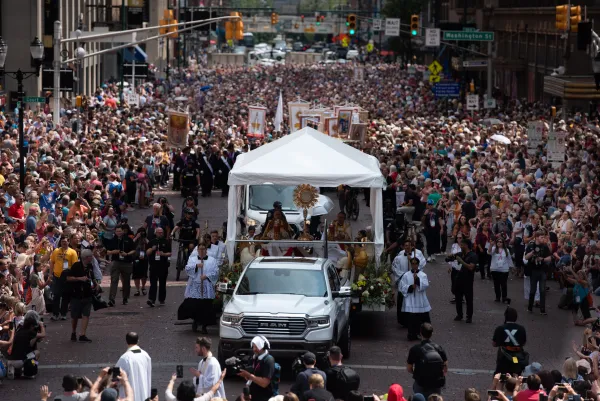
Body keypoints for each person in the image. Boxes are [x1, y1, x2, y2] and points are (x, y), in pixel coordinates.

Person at [177, 242, 219, 333]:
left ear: (206, 250)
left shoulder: (212, 260)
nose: (202, 251)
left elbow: (216, 272)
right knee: (194, 305)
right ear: (197, 250)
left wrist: (207, 276)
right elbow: (187, 268)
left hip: (206, 286)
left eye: (203, 249)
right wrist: (196, 266)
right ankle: (195, 321)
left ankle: (204, 325)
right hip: (195, 286)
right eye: (200, 249)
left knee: (206, 307)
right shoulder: (192, 259)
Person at [406, 323, 448, 398]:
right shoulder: (438, 348)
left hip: (421, 383)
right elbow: (445, 367)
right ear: (432, 333)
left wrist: (416, 373)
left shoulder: (415, 349)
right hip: (436, 383)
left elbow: (409, 368)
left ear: (420, 333)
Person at [392, 240, 426, 326]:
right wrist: (403, 275)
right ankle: (402, 320)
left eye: (409, 245)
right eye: (406, 245)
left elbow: (421, 264)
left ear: (412, 246)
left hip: (412, 280)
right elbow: (394, 268)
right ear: (403, 247)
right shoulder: (399, 256)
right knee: (402, 300)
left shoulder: (416, 256)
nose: (407, 247)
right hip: (403, 280)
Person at [66, 249, 97, 343]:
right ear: (86, 258)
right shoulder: (76, 266)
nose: (92, 258)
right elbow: (68, 278)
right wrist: (80, 278)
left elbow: (92, 277)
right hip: (76, 294)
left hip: (87, 294)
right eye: (90, 256)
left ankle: (82, 334)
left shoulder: (90, 266)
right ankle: (73, 332)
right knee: (75, 316)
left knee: (86, 314)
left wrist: (95, 284)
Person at [400, 257, 432, 341]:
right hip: (411, 300)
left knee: (422, 317)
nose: (414, 266)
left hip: (420, 299)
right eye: (412, 264)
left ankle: (422, 333)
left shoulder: (423, 275)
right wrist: (410, 287)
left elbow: (425, 285)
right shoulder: (406, 275)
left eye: (416, 264)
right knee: (411, 318)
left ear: (418, 264)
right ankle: (411, 334)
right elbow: (401, 287)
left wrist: (417, 280)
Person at [48, 236, 79, 321]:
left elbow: (75, 266)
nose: (64, 243)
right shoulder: (56, 251)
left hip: (67, 277)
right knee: (56, 295)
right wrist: (50, 274)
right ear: (60, 242)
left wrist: (74, 276)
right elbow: (52, 263)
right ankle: (55, 314)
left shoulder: (72, 252)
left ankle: (63, 313)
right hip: (57, 276)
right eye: (62, 242)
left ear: (68, 242)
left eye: (65, 241)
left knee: (66, 296)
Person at [115, 332, 152, 401]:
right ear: (138, 341)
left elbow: (115, 378)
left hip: (128, 396)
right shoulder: (146, 355)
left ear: (126, 341)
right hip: (144, 394)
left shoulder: (124, 358)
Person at [238, 335, 276, 401]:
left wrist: (249, 375)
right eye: (253, 347)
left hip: (264, 397)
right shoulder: (255, 358)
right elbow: (253, 376)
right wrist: (245, 375)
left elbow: (264, 383)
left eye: (256, 347)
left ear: (263, 347)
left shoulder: (269, 360)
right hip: (253, 395)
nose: (254, 349)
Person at [523, 231, 552, 315]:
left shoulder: (545, 246)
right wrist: (532, 253)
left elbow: (549, 258)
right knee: (532, 290)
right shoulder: (531, 245)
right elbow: (526, 257)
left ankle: (542, 310)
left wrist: (542, 259)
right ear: (536, 237)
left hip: (542, 270)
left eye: (544, 237)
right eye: (541, 237)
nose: (543, 239)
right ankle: (530, 307)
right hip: (533, 270)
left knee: (542, 290)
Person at [106, 225, 136, 306]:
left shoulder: (128, 239)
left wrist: (127, 254)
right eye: (117, 231)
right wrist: (113, 252)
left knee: (126, 281)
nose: (118, 233)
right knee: (114, 280)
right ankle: (111, 299)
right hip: (116, 262)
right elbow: (107, 252)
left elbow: (134, 250)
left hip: (127, 262)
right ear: (115, 232)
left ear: (123, 231)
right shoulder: (112, 240)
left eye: (120, 231)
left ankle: (125, 298)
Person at [493, 307, 527, 375]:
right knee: (516, 369)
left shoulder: (500, 328)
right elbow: (523, 343)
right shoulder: (521, 328)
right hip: (515, 356)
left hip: (504, 356)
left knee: (499, 373)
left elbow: (494, 343)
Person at [453, 239, 478, 323]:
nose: (461, 246)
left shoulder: (473, 255)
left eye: (462, 245)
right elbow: (452, 256)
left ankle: (469, 316)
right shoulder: (461, 254)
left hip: (468, 281)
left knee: (468, 299)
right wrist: (450, 257)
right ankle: (459, 315)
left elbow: (471, 267)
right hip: (459, 279)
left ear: (467, 245)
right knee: (458, 298)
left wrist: (462, 262)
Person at [146, 227, 172, 307]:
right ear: (155, 233)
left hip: (163, 265)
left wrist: (163, 254)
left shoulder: (166, 242)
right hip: (154, 265)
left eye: (161, 232)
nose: (160, 234)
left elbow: (170, 253)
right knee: (153, 283)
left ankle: (161, 299)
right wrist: (152, 249)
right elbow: (147, 252)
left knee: (162, 283)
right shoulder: (152, 242)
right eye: (159, 232)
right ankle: (151, 299)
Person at [489, 238, 513, 303]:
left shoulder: (506, 250)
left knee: (503, 284)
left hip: (504, 270)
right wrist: (491, 245)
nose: (499, 243)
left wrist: (511, 268)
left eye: (501, 242)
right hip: (495, 269)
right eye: (498, 242)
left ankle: (504, 297)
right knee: (496, 284)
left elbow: (509, 259)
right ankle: (497, 297)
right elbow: (489, 252)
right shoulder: (494, 249)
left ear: (503, 243)